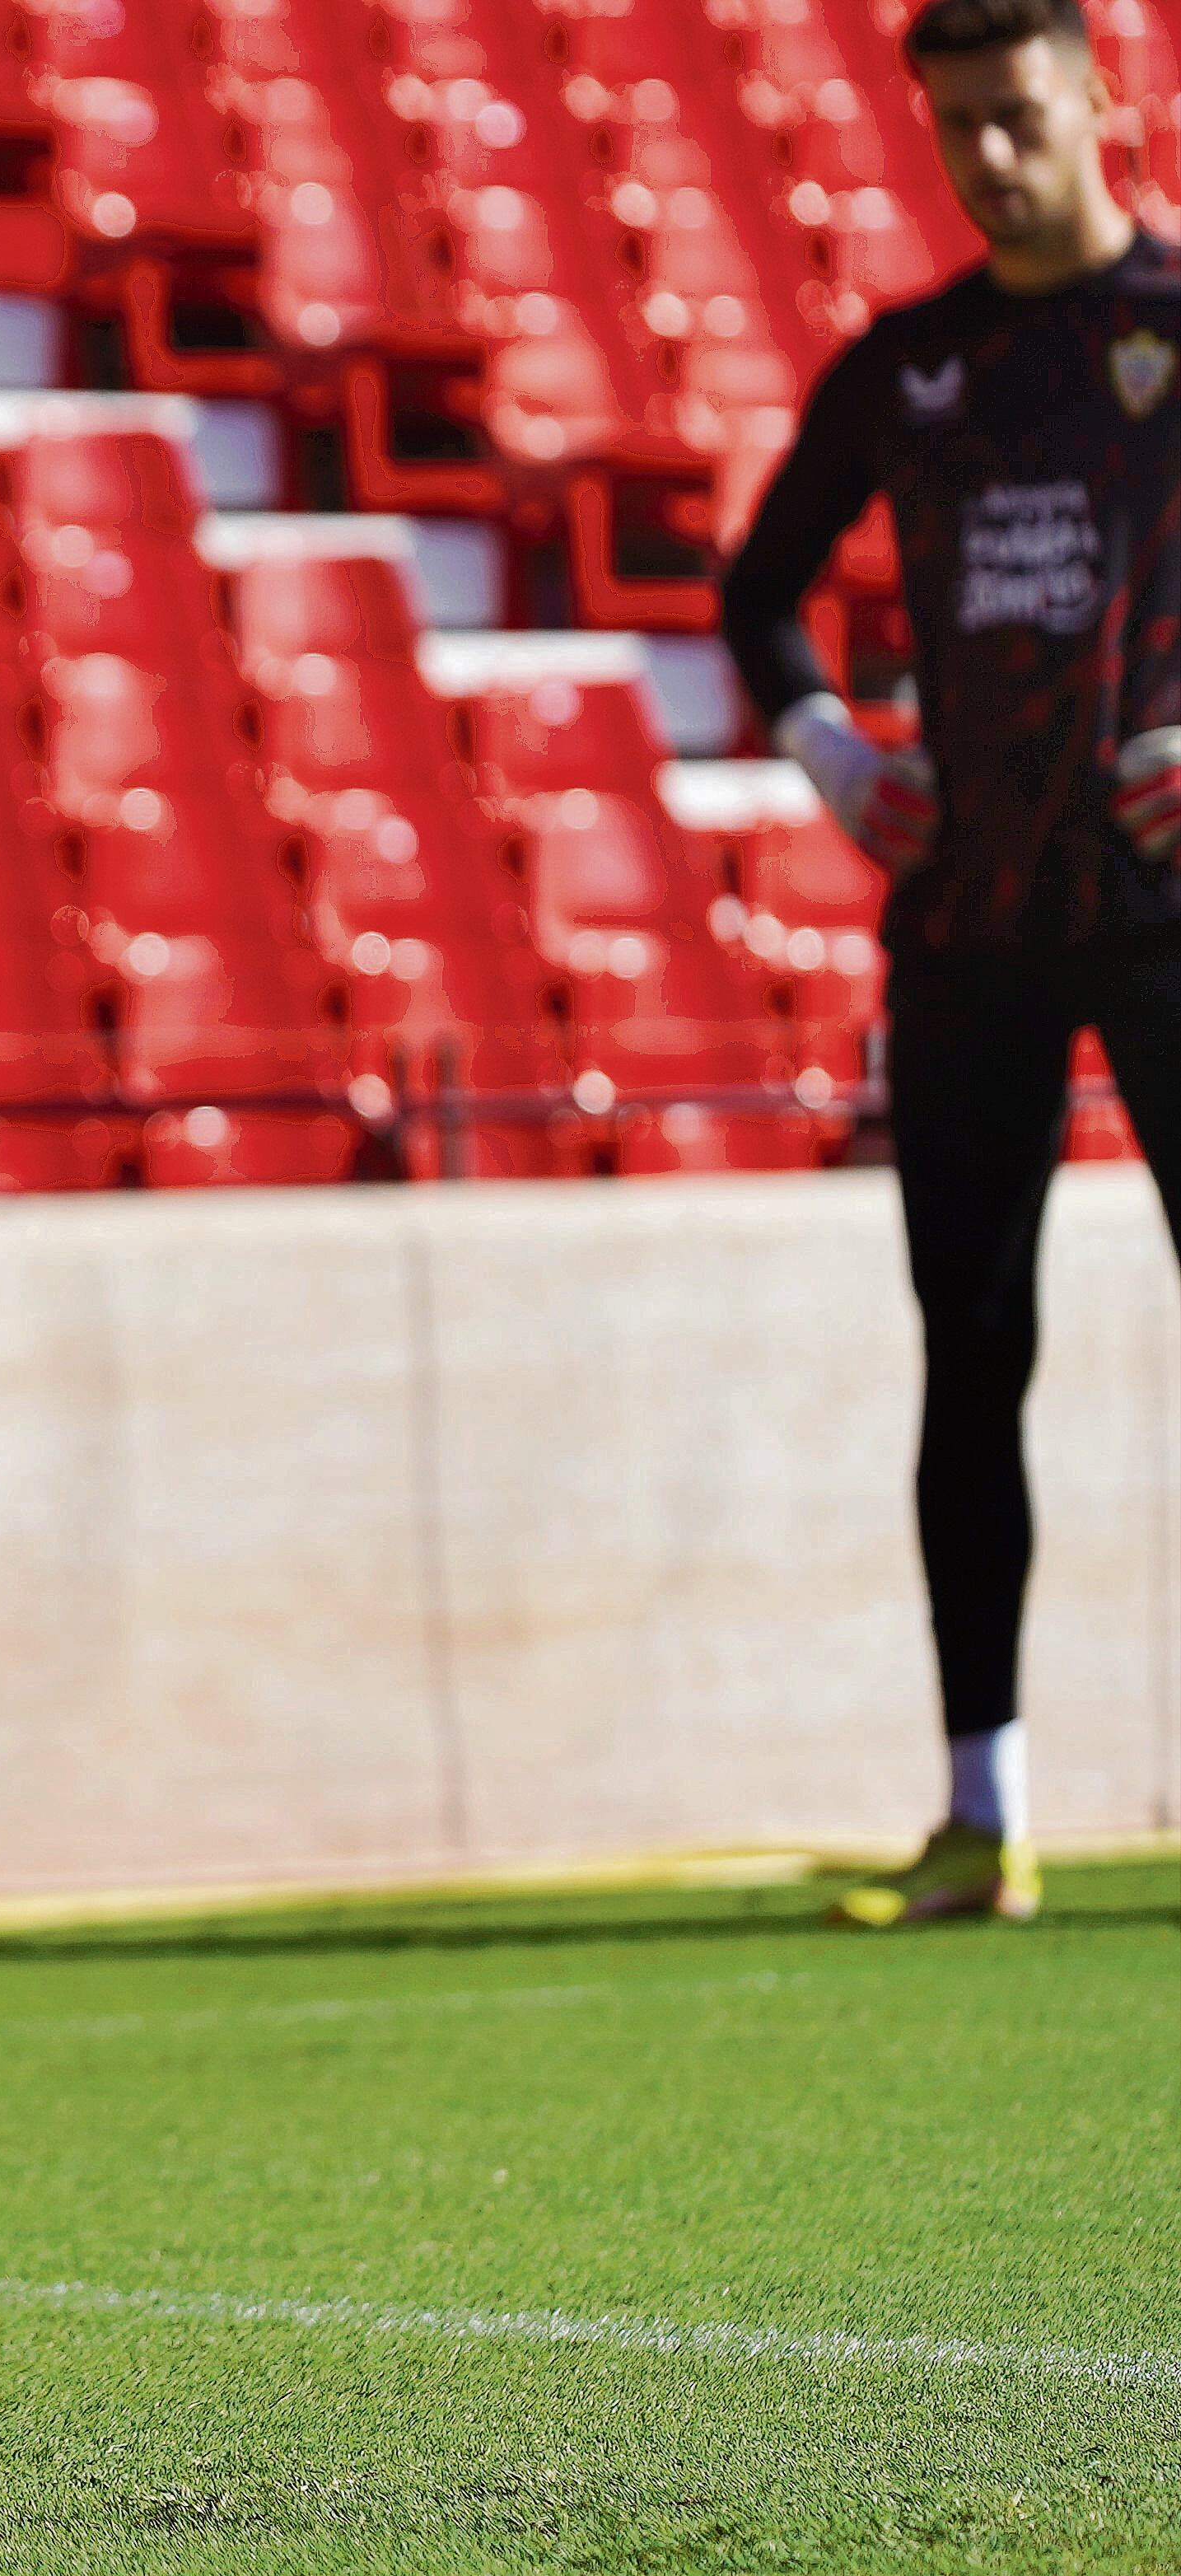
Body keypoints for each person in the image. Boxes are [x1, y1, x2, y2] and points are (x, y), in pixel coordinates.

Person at [720, 0, 1181, 1927]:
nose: (987, 156)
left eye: (1016, 116)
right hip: (968, 928)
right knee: (967, 1353)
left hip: (1163, 909)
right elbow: (756, 587)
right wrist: (829, 746)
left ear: (1099, 100)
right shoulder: (908, 368)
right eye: (955, 128)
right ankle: (977, 1812)